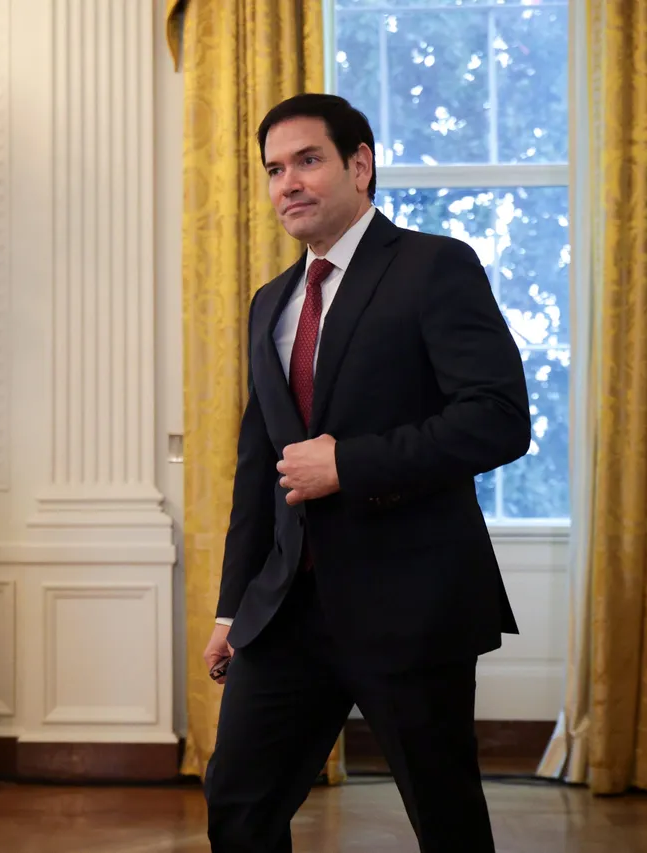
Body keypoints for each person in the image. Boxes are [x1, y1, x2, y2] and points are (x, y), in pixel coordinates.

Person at [201, 92, 530, 853]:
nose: (288, 182)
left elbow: (498, 417)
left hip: (410, 606)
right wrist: (231, 608)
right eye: (274, 169)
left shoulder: (433, 265)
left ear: (360, 164)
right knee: (238, 801)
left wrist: (349, 463)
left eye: (307, 160)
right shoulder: (271, 304)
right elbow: (261, 470)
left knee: (445, 818)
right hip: (287, 611)